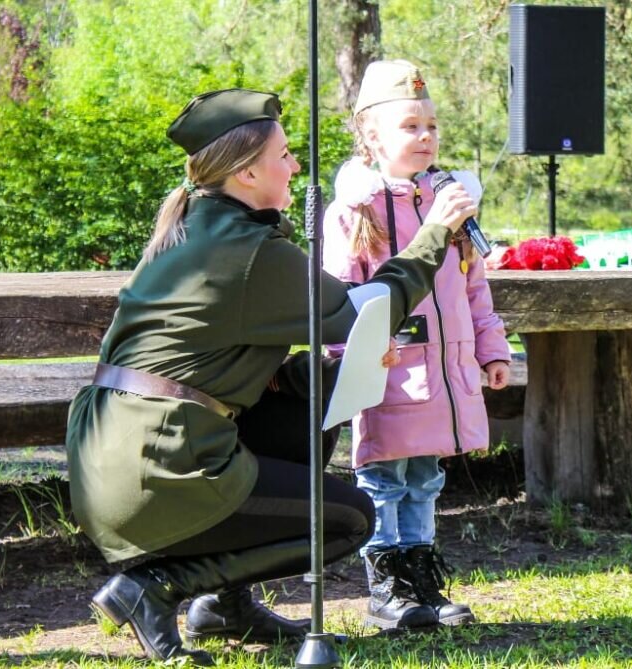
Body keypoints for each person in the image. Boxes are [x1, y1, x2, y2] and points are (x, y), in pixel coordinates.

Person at [65, 87, 479, 665]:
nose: (294, 166)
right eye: (283, 155)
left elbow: (212, 362)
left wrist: (328, 368)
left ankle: (223, 606)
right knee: (349, 519)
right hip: (157, 468)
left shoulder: (196, 230)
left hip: (119, 459)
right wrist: (434, 231)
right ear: (245, 172)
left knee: (314, 394)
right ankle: (156, 589)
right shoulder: (249, 249)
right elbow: (369, 308)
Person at [322, 61, 512, 631]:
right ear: (371, 136)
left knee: (425, 477)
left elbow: (474, 287)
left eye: (431, 126)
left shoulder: (450, 207)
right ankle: (388, 586)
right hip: (389, 370)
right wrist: (347, 359)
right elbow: (339, 299)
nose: (425, 137)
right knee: (384, 477)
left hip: (446, 372)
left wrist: (492, 349)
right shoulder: (354, 213)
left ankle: (422, 578)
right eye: (410, 127)